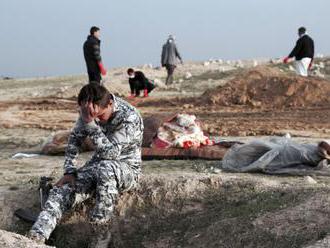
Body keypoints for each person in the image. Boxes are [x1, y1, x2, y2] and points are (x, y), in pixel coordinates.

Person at [29, 83, 144, 243]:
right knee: (61, 191)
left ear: (110, 103)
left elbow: (110, 154)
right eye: (90, 115)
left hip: (126, 169)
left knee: (106, 167)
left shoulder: (129, 117)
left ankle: (101, 233)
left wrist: (90, 123)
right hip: (98, 166)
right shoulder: (89, 111)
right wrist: (69, 171)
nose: (96, 120)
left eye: (100, 117)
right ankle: (35, 238)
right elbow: (74, 141)